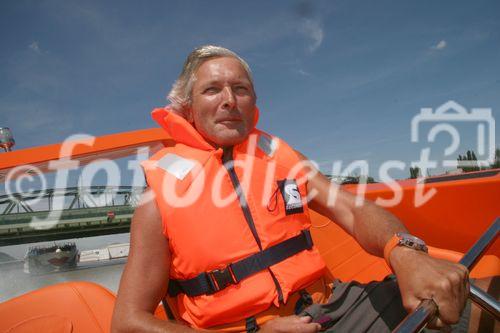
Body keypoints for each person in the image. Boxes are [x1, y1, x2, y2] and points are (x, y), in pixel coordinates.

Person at [111, 45, 472, 333]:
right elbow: (128, 322)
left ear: (253, 106)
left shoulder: (280, 157)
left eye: (240, 89)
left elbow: (351, 209)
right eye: (212, 90)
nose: (229, 100)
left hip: (330, 310)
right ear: (187, 109)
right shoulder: (158, 197)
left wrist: (404, 253)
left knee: (454, 297)